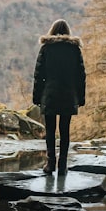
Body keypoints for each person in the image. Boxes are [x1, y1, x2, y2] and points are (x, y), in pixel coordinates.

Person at [32, 18, 86, 175]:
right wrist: (80, 98)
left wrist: (37, 97)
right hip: (69, 95)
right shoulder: (74, 49)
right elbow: (80, 76)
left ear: (52, 30)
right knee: (65, 130)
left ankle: (50, 164)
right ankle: (62, 165)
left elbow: (39, 75)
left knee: (50, 130)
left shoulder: (46, 49)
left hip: (49, 94)